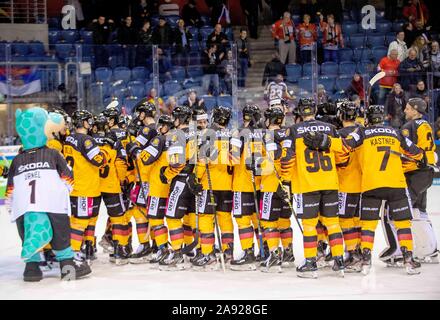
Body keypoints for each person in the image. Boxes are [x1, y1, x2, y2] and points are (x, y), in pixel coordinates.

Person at [303, 104, 426, 275]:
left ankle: (366, 261)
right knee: (403, 224)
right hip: (396, 184)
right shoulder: (396, 132)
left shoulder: (362, 132)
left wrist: (326, 141)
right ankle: (409, 260)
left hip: (370, 185)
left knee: (368, 225)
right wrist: (421, 158)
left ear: (367, 118)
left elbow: (345, 145)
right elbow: (417, 153)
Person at [281, 98, 346, 278]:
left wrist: (285, 182)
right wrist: (326, 142)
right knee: (332, 223)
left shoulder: (293, 131)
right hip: (331, 183)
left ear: (300, 113)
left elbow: (287, 159)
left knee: (309, 225)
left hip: (307, 185)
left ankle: (311, 263)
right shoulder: (330, 128)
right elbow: (343, 155)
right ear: (315, 109)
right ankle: (339, 260)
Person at [381, 97, 438, 264]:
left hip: (413, 174)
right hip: (424, 174)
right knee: (418, 211)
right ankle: (429, 249)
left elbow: (413, 152)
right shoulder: (425, 125)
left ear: (415, 110)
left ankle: (398, 250)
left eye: (407, 108)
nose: (405, 111)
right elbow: (426, 153)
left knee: (396, 211)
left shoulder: (410, 126)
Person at [125, 115, 176, 265]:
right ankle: (168, 248)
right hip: (168, 185)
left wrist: (135, 150)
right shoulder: (176, 139)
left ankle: (161, 248)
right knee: (166, 218)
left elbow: (145, 158)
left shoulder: (159, 139)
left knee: (154, 217)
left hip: (155, 185)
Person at [192, 106, 235, 268]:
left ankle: (207, 253)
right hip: (228, 184)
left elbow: (202, 159)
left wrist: (195, 178)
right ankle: (228, 251)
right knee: (225, 218)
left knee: (205, 217)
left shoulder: (207, 134)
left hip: (210, 184)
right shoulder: (233, 135)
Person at [63, 110, 107, 262]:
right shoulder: (87, 140)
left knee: (86, 219)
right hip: (85, 188)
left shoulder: (69, 139)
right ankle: (74, 253)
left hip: (77, 187)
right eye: (88, 120)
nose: (91, 123)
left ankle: (87, 248)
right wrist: (105, 153)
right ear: (82, 122)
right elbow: (99, 160)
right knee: (81, 222)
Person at [158, 105, 196, 270]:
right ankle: (194, 250)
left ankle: (178, 252)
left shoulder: (176, 135)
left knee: (172, 217)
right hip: (196, 181)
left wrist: (166, 174)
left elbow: (176, 162)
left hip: (181, 180)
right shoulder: (198, 133)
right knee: (190, 217)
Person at [229, 105, 265, 270]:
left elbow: (233, 158)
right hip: (259, 184)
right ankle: (264, 252)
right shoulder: (264, 133)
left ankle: (248, 252)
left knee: (243, 220)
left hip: (242, 183)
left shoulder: (239, 133)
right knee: (258, 220)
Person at [91, 115, 130, 265]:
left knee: (89, 219)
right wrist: (122, 180)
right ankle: (119, 251)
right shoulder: (115, 141)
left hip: (93, 185)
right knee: (118, 218)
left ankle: (88, 250)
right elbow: (121, 163)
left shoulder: (88, 140)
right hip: (111, 185)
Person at [335, 101, 363, 272]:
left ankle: (352, 255)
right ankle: (360, 253)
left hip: (346, 184)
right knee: (358, 221)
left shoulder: (339, 134)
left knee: (346, 221)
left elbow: (341, 160)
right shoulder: (363, 133)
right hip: (364, 184)